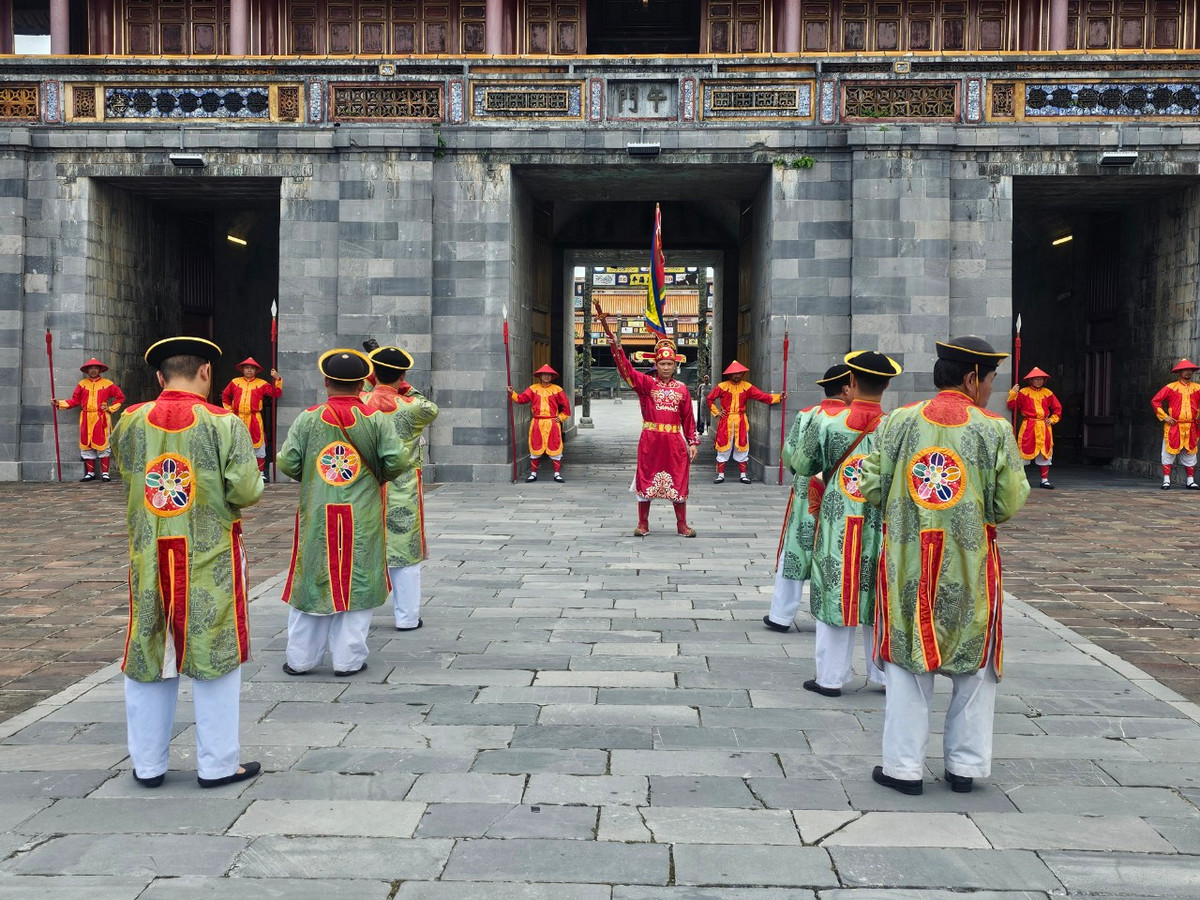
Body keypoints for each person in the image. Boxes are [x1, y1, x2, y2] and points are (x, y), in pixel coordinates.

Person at [859, 336, 1029, 796]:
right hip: (968, 566)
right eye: (991, 379)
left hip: (908, 562)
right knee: (974, 671)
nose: (992, 389)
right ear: (972, 376)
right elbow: (1008, 500)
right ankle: (966, 767)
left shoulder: (897, 421)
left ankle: (903, 768)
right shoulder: (994, 429)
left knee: (907, 666)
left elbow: (870, 486)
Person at [109, 336, 263, 789]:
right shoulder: (224, 422)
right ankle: (217, 764)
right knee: (216, 652)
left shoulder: (130, 421)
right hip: (207, 553)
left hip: (148, 552)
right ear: (206, 372)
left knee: (148, 649)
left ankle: (148, 764)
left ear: (159, 377)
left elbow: (127, 471)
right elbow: (248, 491)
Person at [277, 348, 406, 676]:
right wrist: (373, 474)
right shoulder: (375, 419)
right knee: (358, 582)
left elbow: (289, 461)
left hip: (318, 512)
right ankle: (348, 661)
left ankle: (300, 659)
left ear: (325, 382)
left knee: (313, 581)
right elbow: (396, 461)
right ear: (363, 382)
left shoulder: (308, 417)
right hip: (361, 514)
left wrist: (311, 474)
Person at [786, 351, 900, 697]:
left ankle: (831, 678)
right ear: (887, 385)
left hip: (839, 517)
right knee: (879, 592)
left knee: (835, 584)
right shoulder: (896, 426)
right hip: (882, 519)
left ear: (851, 383)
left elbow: (802, 464)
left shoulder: (827, 422)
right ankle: (884, 676)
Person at [594, 301, 700, 537]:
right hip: (651, 440)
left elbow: (688, 419)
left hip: (674, 442)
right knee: (646, 478)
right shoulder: (647, 384)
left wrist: (692, 441)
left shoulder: (682, 389)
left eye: (669, 363)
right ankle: (643, 523)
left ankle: (681, 524)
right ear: (656, 364)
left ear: (675, 364)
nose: (665, 367)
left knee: (679, 480)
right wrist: (616, 347)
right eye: (662, 363)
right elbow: (627, 371)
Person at [765, 364, 852, 634]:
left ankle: (780, 614)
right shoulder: (853, 418)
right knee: (836, 549)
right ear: (848, 388)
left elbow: (789, 456)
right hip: (843, 494)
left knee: (796, 547)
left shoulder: (807, 415)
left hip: (807, 490)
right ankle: (833, 611)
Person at [363, 345, 440, 631]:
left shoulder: (361, 402)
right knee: (405, 552)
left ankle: (358, 614)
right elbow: (430, 407)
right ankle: (406, 617)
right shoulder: (414, 406)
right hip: (401, 487)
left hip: (365, 487)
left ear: (373, 374)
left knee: (363, 549)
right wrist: (404, 386)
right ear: (403, 375)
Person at [706, 361, 784, 484]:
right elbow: (709, 398)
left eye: (739, 373)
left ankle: (743, 474)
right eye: (734, 373)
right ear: (730, 375)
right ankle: (721, 475)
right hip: (726, 421)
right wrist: (716, 412)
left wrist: (778, 397)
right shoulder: (722, 386)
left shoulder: (747, 387)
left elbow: (762, 396)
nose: (737, 375)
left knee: (742, 446)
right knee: (723, 446)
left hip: (741, 420)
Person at [54, 357, 125, 482]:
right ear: (87, 370)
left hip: (101, 417)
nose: (93, 370)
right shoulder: (82, 384)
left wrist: (109, 408)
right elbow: (75, 401)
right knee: (86, 445)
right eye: (90, 368)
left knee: (103, 444)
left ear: (99, 370)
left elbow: (120, 397)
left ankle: (105, 473)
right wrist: (58, 403)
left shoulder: (107, 383)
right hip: (86, 417)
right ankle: (90, 473)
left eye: (95, 368)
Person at [221, 357, 282, 481]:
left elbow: (276, 393)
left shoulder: (261, 383)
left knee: (258, 445)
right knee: (236, 444)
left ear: (256, 370)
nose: (249, 370)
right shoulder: (235, 382)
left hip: (254, 418)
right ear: (243, 369)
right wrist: (229, 411)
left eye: (252, 368)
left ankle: (260, 473)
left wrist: (277, 378)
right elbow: (225, 395)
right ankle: (237, 472)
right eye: (247, 368)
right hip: (237, 417)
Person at [510, 364, 571, 483]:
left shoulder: (557, 389)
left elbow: (566, 406)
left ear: (552, 377)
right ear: (540, 376)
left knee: (555, 446)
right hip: (537, 422)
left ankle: (557, 474)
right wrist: (512, 393)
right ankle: (533, 474)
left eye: (549, 375)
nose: (547, 376)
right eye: (544, 374)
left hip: (552, 422)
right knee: (535, 446)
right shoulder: (533, 388)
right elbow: (522, 399)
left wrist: (562, 417)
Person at [1006, 366, 1061, 489]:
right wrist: (1013, 392)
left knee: (1045, 452)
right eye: (1036, 379)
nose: (1038, 381)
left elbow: (1057, 409)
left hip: (1044, 426)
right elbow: (1012, 406)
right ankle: (1021, 481)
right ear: (1030, 380)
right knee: (1024, 451)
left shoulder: (1048, 393)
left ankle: (1044, 480)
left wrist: (1052, 419)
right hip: (1029, 425)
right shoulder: (1024, 392)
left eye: (1041, 379)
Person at [1151, 358, 1200, 490]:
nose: (1188, 372)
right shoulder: (1171, 387)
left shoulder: (1197, 388)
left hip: (1191, 426)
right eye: (1185, 370)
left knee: (1190, 452)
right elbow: (1155, 401)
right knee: (1168, 452)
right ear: (1180, 372)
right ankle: (1166, 480)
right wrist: (1165, 417)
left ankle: (1190, 480)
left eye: (1190, 370)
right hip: (1174, 426)